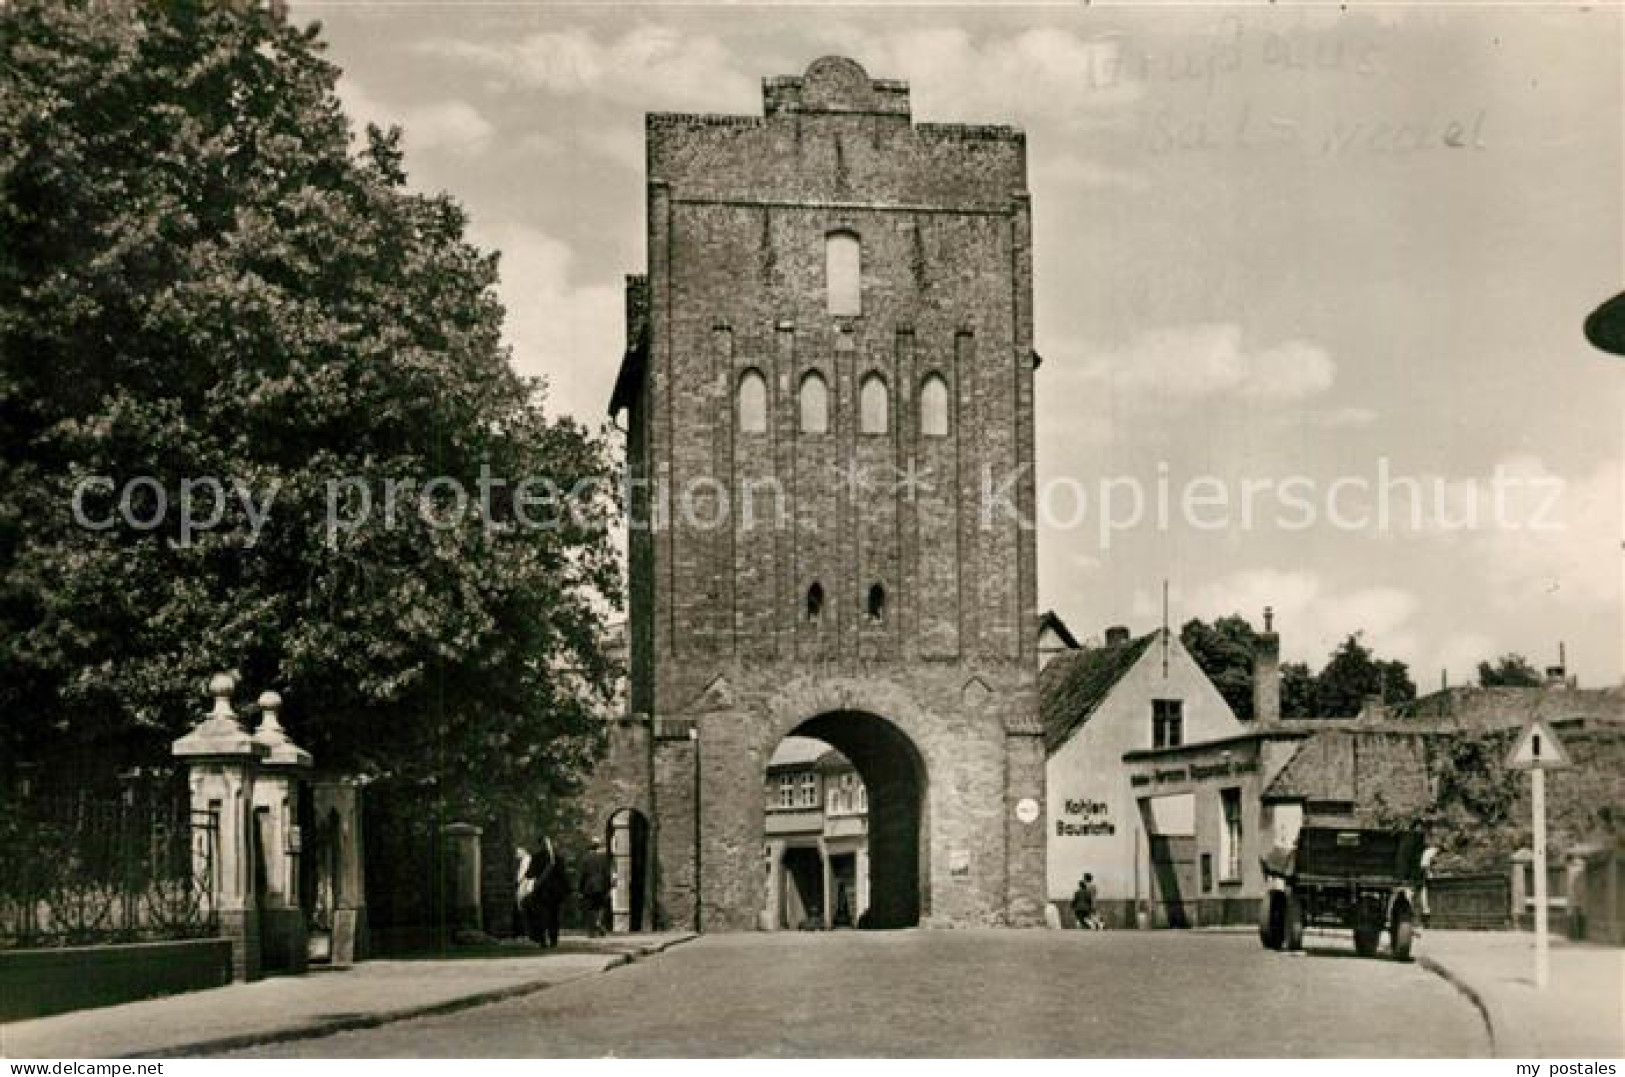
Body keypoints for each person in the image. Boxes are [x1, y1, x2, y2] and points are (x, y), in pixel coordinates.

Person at [523, 835, 569, 948]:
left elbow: (529, 874)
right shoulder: (558, 859)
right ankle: (553, 940)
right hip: (555, 893)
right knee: (554, 916)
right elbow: (563, 876)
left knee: (540, 916)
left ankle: (542, 940)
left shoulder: (536, 857)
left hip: (541, 891)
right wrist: (566, 891)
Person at [578, 837, 615, 938]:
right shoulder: (604, 859)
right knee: (601, 907)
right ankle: (598, 922)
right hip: (601, 887)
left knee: (590, 908)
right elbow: (607, 874)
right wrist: (608, 888)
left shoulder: (586, 859)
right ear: (598, 847)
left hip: (589, 887)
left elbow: (583, 875)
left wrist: (580, 889)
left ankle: (591, 931)